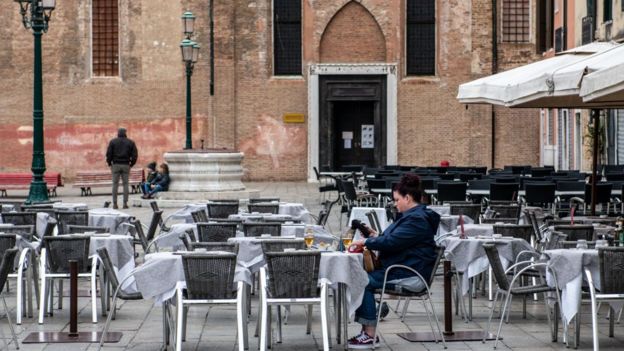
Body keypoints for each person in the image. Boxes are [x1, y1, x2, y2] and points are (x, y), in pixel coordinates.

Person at [347, 174, 439, 349]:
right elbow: (395, 239)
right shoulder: (412, 216)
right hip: (403, 268)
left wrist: (365, 241)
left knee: (361, 280)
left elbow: (392, 242)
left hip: (409, 274)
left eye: (397, 200)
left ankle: (369, 335)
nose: (395, 204)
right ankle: (367, 330)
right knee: (359, 276)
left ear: (408, 197)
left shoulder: (416, 220)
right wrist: (375, 236)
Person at [106, 128, 138, 209]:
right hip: (126, 164)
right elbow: (135, 155)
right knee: (126, 184)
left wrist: (109, 163)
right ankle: (125, 203)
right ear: (125, 133)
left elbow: (109, 154)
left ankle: (115, 204)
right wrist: (131, 164)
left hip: (115, 164)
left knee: (115, 184)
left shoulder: (113, 141)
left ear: (118, 133)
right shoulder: (130, 142)